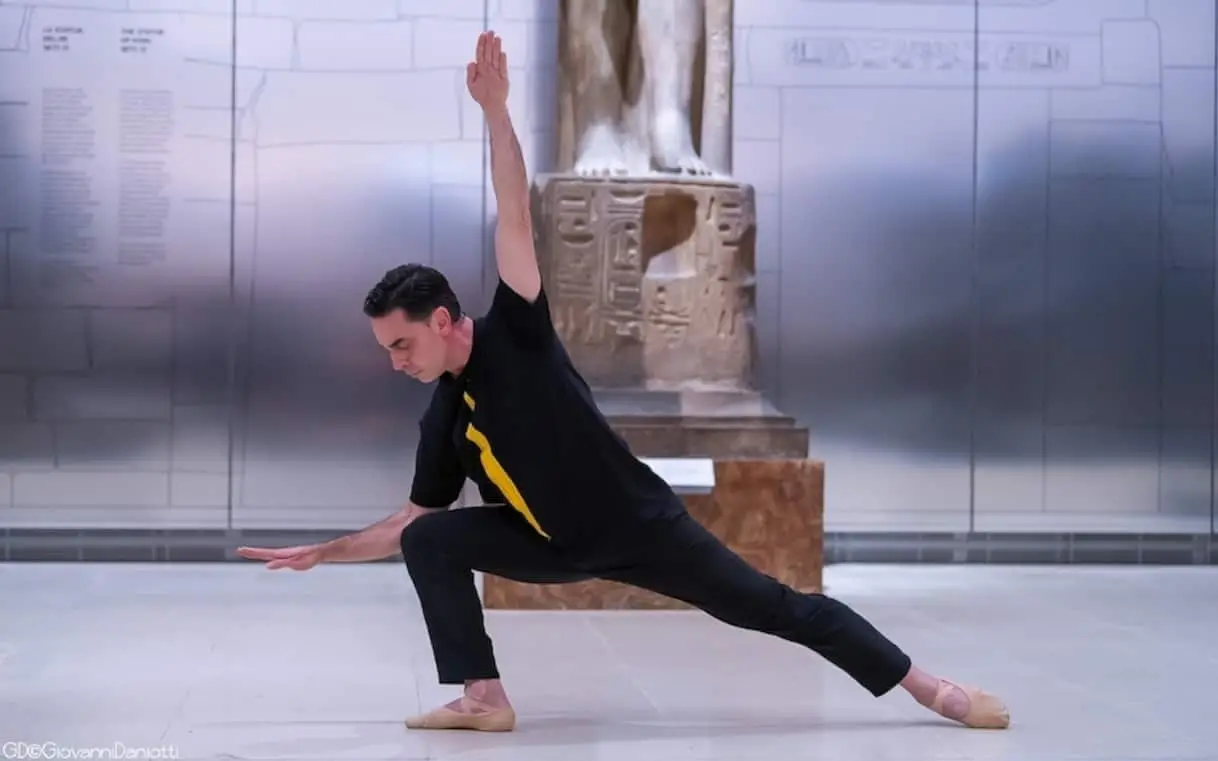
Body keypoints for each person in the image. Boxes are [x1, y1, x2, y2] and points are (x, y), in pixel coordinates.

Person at [237, 30, 1011, 734]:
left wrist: (497, 113)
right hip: (548, 540)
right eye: (386, 349)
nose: (395, 361)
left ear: (443, 319)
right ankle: (483, 696)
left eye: (401, 343)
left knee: (775, 607)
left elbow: (514, 212)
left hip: (640, 526)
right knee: (431, 538)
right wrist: (324, 552)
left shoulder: (518, 332)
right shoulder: (445, 414)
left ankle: (931, 687)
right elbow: (413, 518)